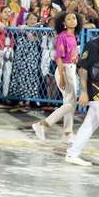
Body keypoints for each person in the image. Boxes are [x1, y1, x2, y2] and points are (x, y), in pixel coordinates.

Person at [65, 13, 99, 171]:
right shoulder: (94, 45)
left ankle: (72, 153)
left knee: (89, 125)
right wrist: (83, 91)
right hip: (96, 92)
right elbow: (83, 69)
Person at [32, 11, 81, 141]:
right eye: (69, 19)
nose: (72, 20)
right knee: (70, 104)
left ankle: (67, 132)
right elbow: (59, 57)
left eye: (74, 17)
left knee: (70, 102)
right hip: (64, 70)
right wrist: (62, 76)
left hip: (72, 69)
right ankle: (43, 124)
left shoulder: (74, 36)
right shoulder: (62, 36)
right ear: (64, 23)